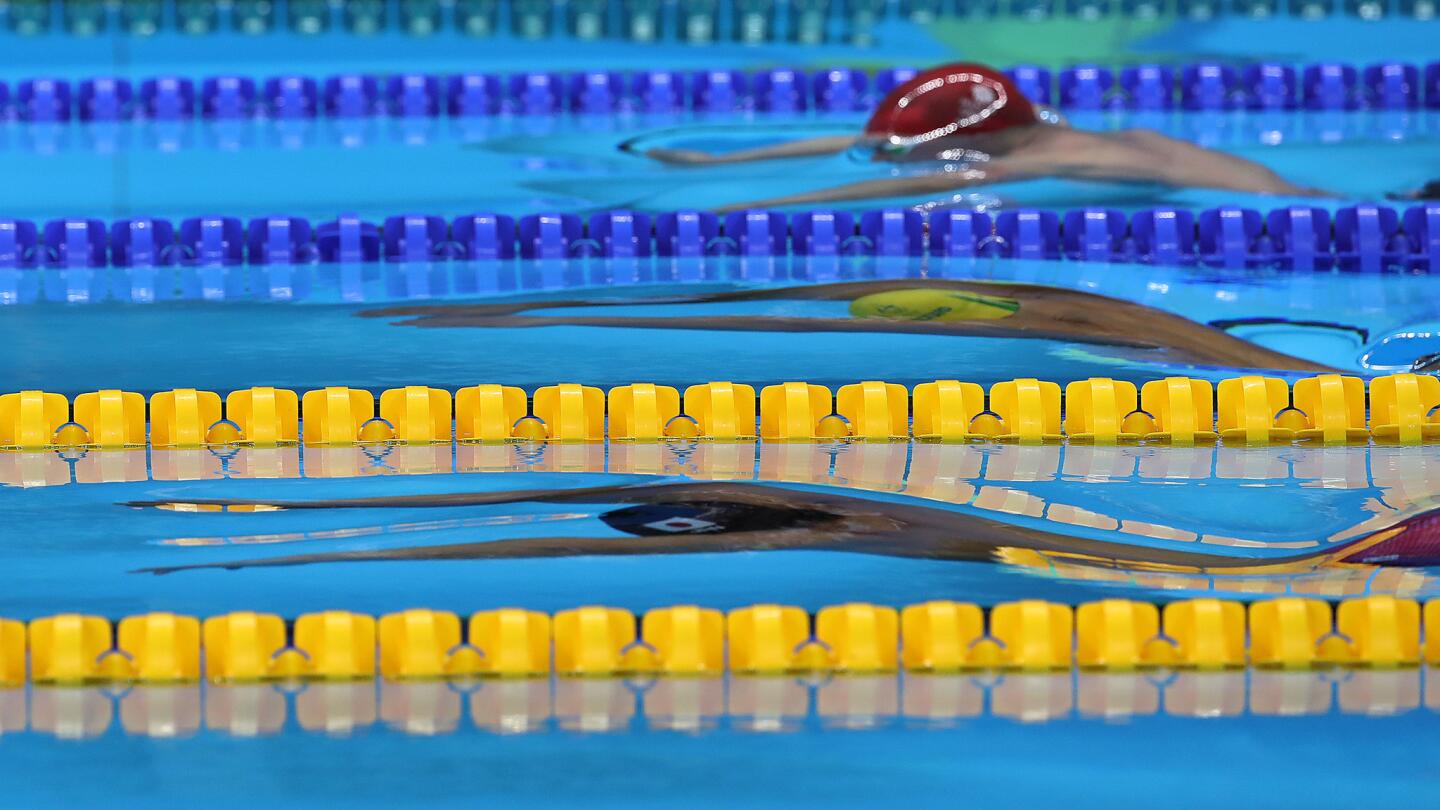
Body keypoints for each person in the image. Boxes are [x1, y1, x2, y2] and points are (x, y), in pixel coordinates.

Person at [642, 63, 1323, 210]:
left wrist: (750, 209)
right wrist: (715, 161)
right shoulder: (1044, 128)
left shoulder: (1070, 155)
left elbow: (927, 174)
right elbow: (891, 142)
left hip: (1300, 213)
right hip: (1297, 194)